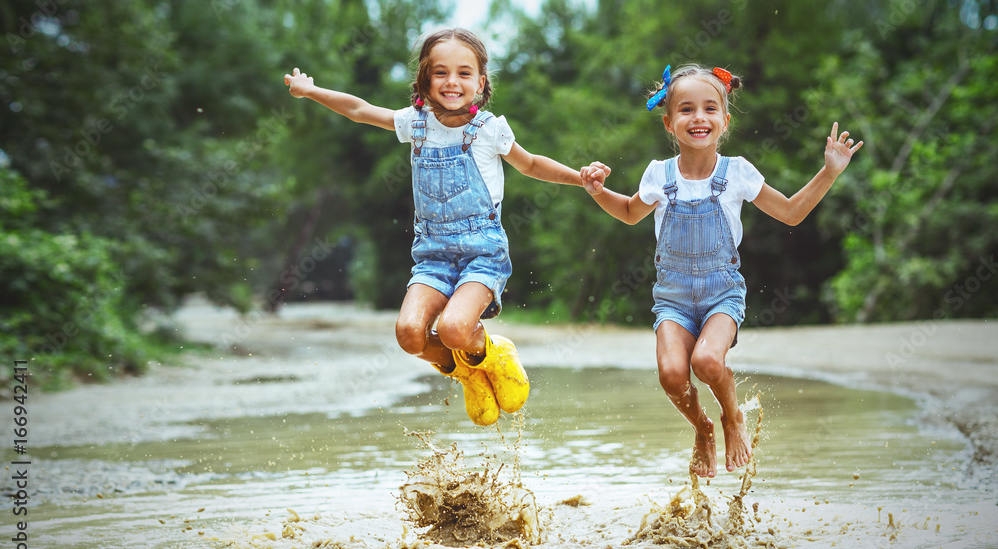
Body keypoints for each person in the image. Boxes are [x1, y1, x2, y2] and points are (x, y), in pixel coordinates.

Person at [285, 28, 606, 426]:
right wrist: (310, 91)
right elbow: (359, 109)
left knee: (454, 328)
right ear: (424, 80)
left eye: (464, 73)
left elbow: (532, 164)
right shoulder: (415, 124)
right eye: (440, 73)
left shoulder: (488, 128)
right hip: (432, 255)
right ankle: (468, 372)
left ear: (480, 82)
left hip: (482, 255)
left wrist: (581, 178)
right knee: (409, 334)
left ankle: (491, 352)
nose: (452, 82)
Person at [580, 64, 862, 478]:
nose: (699, 117)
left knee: (708, 362)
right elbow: (626, 212)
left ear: (725, 120)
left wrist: (829, 172)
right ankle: (703, 427)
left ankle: (732, 418)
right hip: (672, 300)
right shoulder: (659, 174)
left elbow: (790, 213)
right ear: (669, 122)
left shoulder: (738, 172)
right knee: (673, 373)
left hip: (721, 295)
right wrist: (598, 191)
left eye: (710, 108)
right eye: (687, 109)